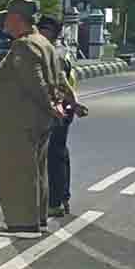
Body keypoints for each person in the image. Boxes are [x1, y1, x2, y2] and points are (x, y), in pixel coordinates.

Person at [0, 0, 66, 239]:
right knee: (36, 171)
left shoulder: (23, 45)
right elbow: (59, 78)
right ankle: (37, 220)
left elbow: (35, 82)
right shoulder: (44, 42)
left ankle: (23, 225)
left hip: (18, 121)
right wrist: (64, 102)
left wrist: (51, 106)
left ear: (17, 19)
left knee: (17, 172)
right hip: (36, 120)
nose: (4, 21)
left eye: (7, 16)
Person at [37, 15, 88, 218]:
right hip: (64, 107)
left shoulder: (54, 53)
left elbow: (59, 83)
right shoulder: (61, 50)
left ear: (49, 32)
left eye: (41, 29)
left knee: (53, 156)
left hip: (58, 108)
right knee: (59, 153)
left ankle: (55, 202)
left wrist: (72, 105)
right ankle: (62, 198)